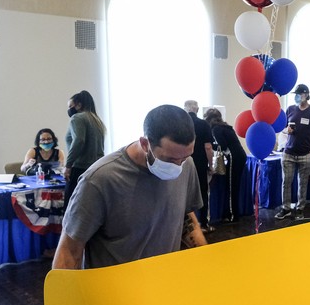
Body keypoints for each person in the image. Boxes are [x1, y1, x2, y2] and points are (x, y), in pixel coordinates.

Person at [52, 104, 206, 270]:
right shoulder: (99, 180)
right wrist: (65, 294)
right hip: (114, 289)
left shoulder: (185, 164)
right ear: (145, 144)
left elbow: (185, 217)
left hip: (162, 282)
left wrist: (205, 263)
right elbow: (69, 250)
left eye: (184, 158)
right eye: (169, 160)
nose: (178, 166)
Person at [275, 84, 310, 220]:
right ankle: (285, 208)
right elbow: (283, 127)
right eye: (295, 95)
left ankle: (300, 209)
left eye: (299, 94)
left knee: (302, 183)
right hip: (288, 152)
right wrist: (287, 130)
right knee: (286, 182)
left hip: (305, 153)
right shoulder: (290, 109)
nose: (297, 97)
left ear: (306, 95)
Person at [63, 90, 106, 208]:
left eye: (70, 106)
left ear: (79, 105)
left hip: (79, 169)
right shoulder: (97, 121)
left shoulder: (77, 118)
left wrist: (68, 166)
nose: (69, 110)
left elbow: (79, 141)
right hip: (96, 168)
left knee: (72, 208)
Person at [204, 108, 247, 223]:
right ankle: (231, 213)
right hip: (239, 156)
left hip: (234, 157)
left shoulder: (216, 129)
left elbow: (222, 146)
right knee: (233, 185)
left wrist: (209, 145)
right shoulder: (224, 126)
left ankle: (233, 215)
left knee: (232, 187)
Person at [184, 100, 214, 228]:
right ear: (197, 110)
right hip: (200, 163)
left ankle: (185, 226)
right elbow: (208, 147)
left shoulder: (180, 124)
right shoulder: (203, 124)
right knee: (202, 192)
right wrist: (211, 165)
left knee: (183, 193)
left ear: (185, 109)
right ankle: (203, 224)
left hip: (182, 163)